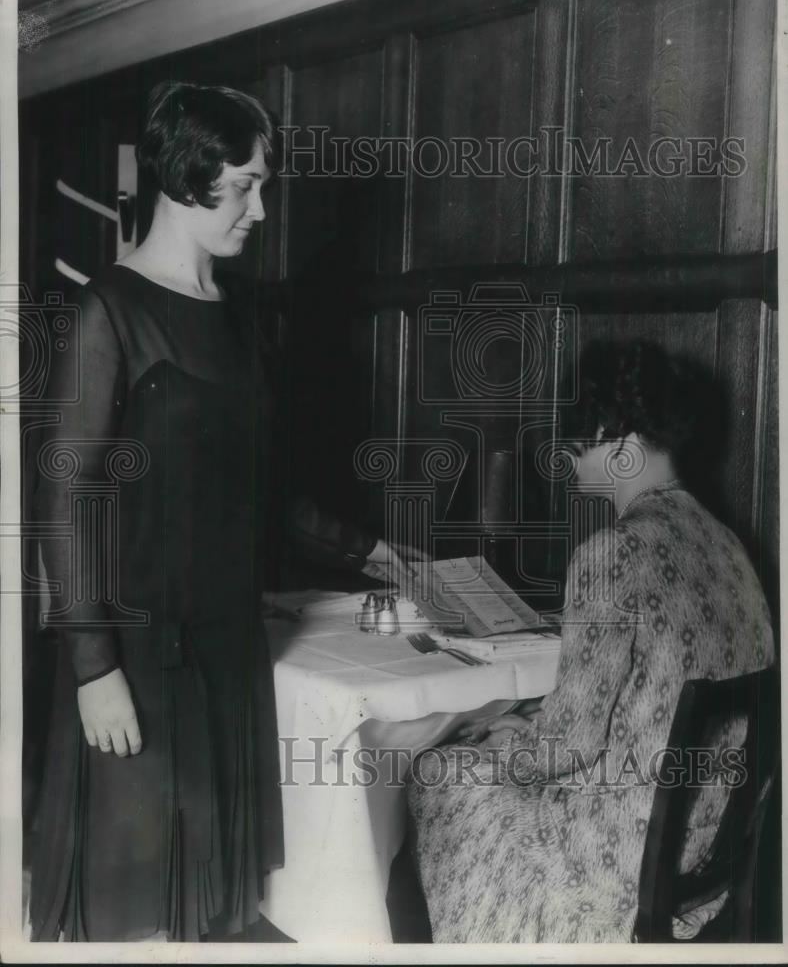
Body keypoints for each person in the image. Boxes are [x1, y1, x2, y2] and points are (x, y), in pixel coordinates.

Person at [28, 81, 414, 942]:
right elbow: (64, 502)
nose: (261, 210)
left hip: (228, 658)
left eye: (261, 184)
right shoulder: (108, 311)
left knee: (211, 913)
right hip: (138, 662)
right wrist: (94, 669)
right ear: (183, 180)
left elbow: (267, 496)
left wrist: (378, 549)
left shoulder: (242, 320)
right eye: (243, 185)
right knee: (134, 915)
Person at [405, 339, 775, 943]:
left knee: (438, 772)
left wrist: (496, 748)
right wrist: (536, 727)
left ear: (620, 442)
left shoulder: (611, 553)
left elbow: (568, 747)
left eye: (579, 444)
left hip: (621, 861)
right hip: (714, 851)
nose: (568, 459)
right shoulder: (729, 545)